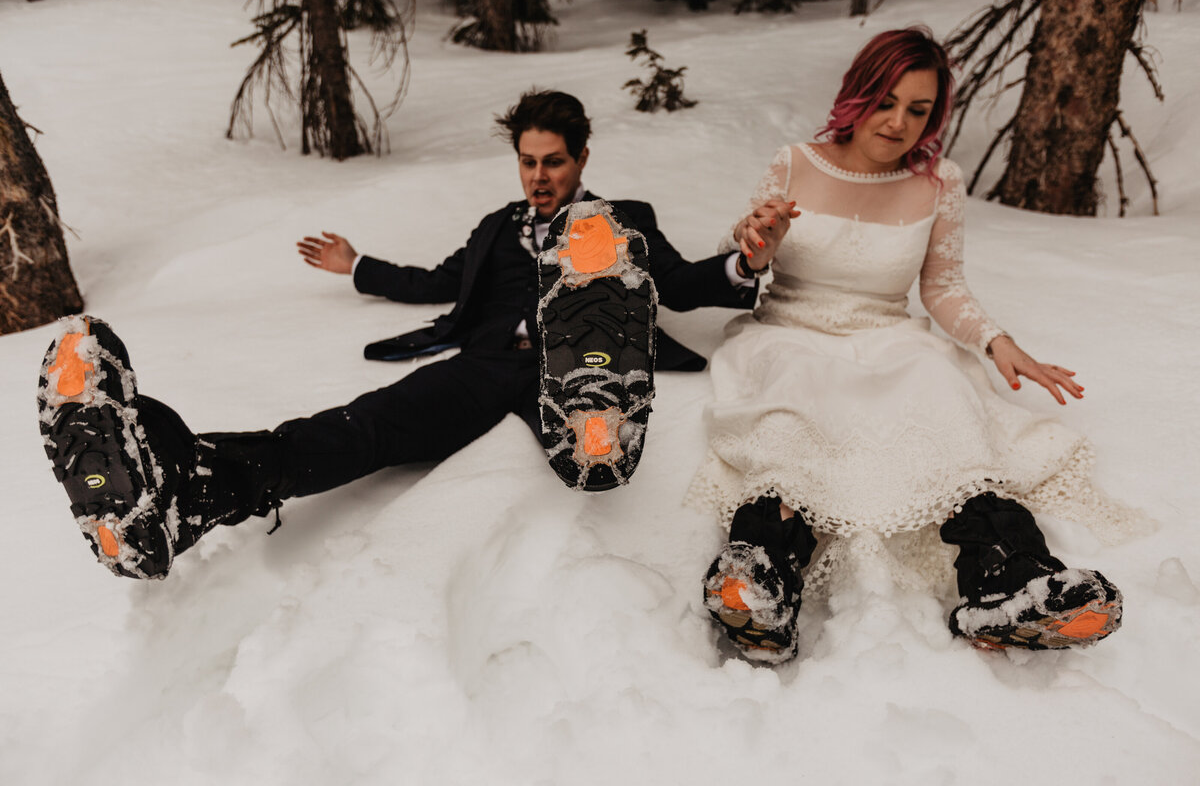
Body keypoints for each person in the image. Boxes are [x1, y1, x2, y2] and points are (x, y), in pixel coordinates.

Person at [38, 90, 758, 581]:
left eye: (555, 162)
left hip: (577, 363)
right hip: (483, 368)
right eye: (528, 162)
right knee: (364, 428)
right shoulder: (494, 228)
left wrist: (744, 263)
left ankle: (593, 415)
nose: (539, 177)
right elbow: (438, 281)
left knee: (586, 337)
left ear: (582, 159)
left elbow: (684, 283)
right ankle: (181, 495)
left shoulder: (622, 217)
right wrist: (358, 267)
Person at [687, 29, 1134, 663]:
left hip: (888, 335)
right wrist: (757, 244)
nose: (898, 123)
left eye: (918, 110)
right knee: (792, 416)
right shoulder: (796, 162)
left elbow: (943, 286)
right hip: (790, 332)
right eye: (885, 101)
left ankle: (1010, 581)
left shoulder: (937, 182)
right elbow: (751, 244)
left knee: (944, 399)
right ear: (857, 93)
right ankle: (761, 581)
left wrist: (996, 341)